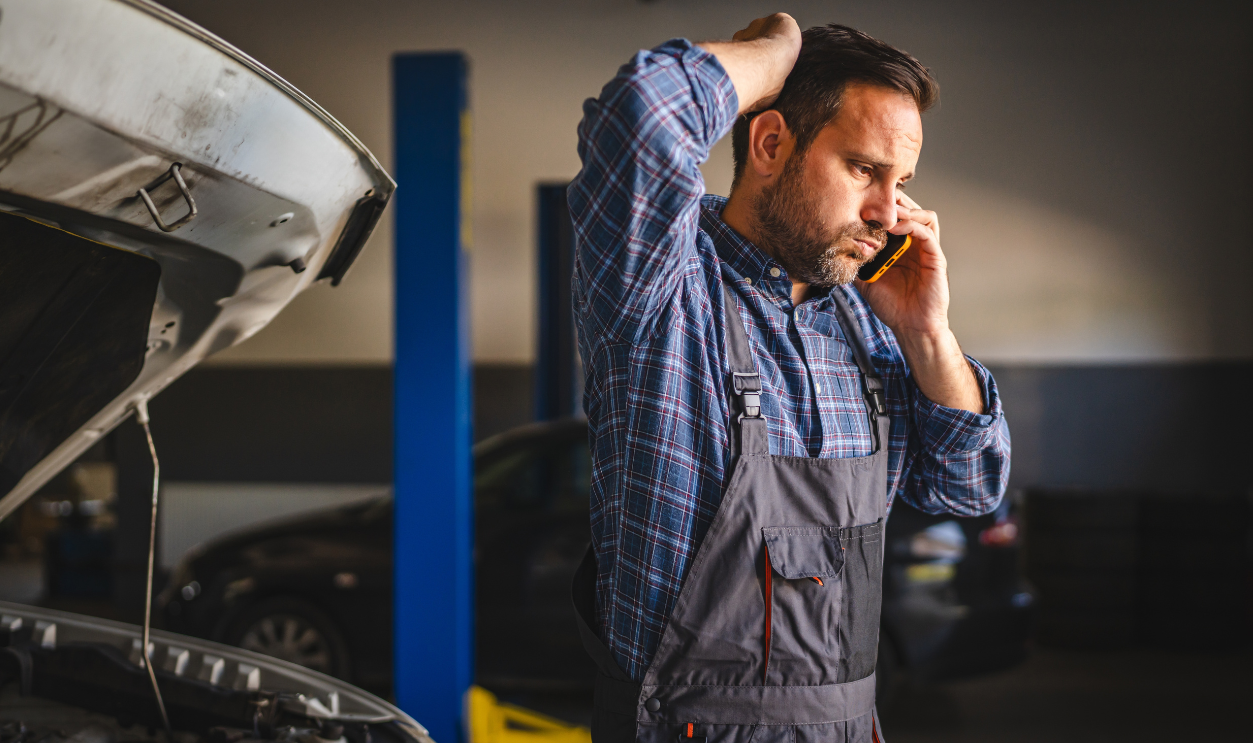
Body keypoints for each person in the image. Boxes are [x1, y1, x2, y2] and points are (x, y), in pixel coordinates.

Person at [569, 13, 1010, 743]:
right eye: (864, 169)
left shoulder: (871, 323)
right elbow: (642, 115)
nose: (887, 211)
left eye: (901, 182)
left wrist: (927, 333)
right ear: (770, 142)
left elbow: (968, 486)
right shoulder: (665, 290)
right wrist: (777, 51)